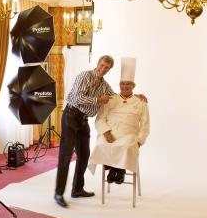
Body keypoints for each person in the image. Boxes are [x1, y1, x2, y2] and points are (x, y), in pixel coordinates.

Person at [54, 55, 146, 208]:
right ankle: (58, 193)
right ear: (98, 64)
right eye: (102, 65)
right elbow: (77, 98)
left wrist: (134, 95)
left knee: (84, 155)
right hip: (70, 116)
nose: (103, 69)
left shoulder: (105, 86)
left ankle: (77, 189)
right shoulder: (84, 76)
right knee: (66, 155)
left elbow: (117, 97)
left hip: (83, 120)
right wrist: (97, 100)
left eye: (107, 68)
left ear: (109, 70)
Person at [89, 57, 150, 185]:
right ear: (119, 85)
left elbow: (145, 125)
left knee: (126, 146)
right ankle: (113, 168)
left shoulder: (140, 102)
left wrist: (139, 141)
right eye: (122, 84)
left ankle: (116, 169)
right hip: (110, 134)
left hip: (128, 135)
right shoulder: (111, 99)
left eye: (128, 84)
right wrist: (106, 133)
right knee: (101, 144)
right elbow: (100, 118)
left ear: (133, 86)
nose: (125, 86)